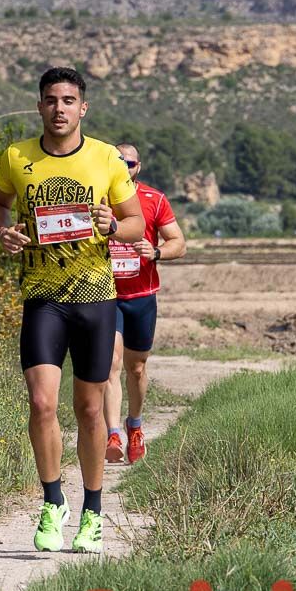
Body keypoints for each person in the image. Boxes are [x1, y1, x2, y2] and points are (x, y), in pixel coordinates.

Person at [0, 67, 145, 554]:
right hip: (43, 296)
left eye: (69, 100)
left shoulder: (105, 159)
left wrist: (113, 226)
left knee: (90, 408)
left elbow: (136, 223)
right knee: (41, 403)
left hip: (95, 297)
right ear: (39, 106)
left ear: (83, 108)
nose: (59, 108)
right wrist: (3, 230)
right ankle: (54, 504)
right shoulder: (18, 157)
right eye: (51, 100)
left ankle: (93, 511)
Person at [103, 143, 186, 464]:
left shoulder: (154, 199)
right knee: (110, 364)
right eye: (118, 161)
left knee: (136, 368)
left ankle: (134, 425)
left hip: (141, 298)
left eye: (130, 163)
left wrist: (156, 252)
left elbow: (178, 242)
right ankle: (112, 434)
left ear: (139, 167)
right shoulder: (98, 199)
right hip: (106, 297)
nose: (124, 167)